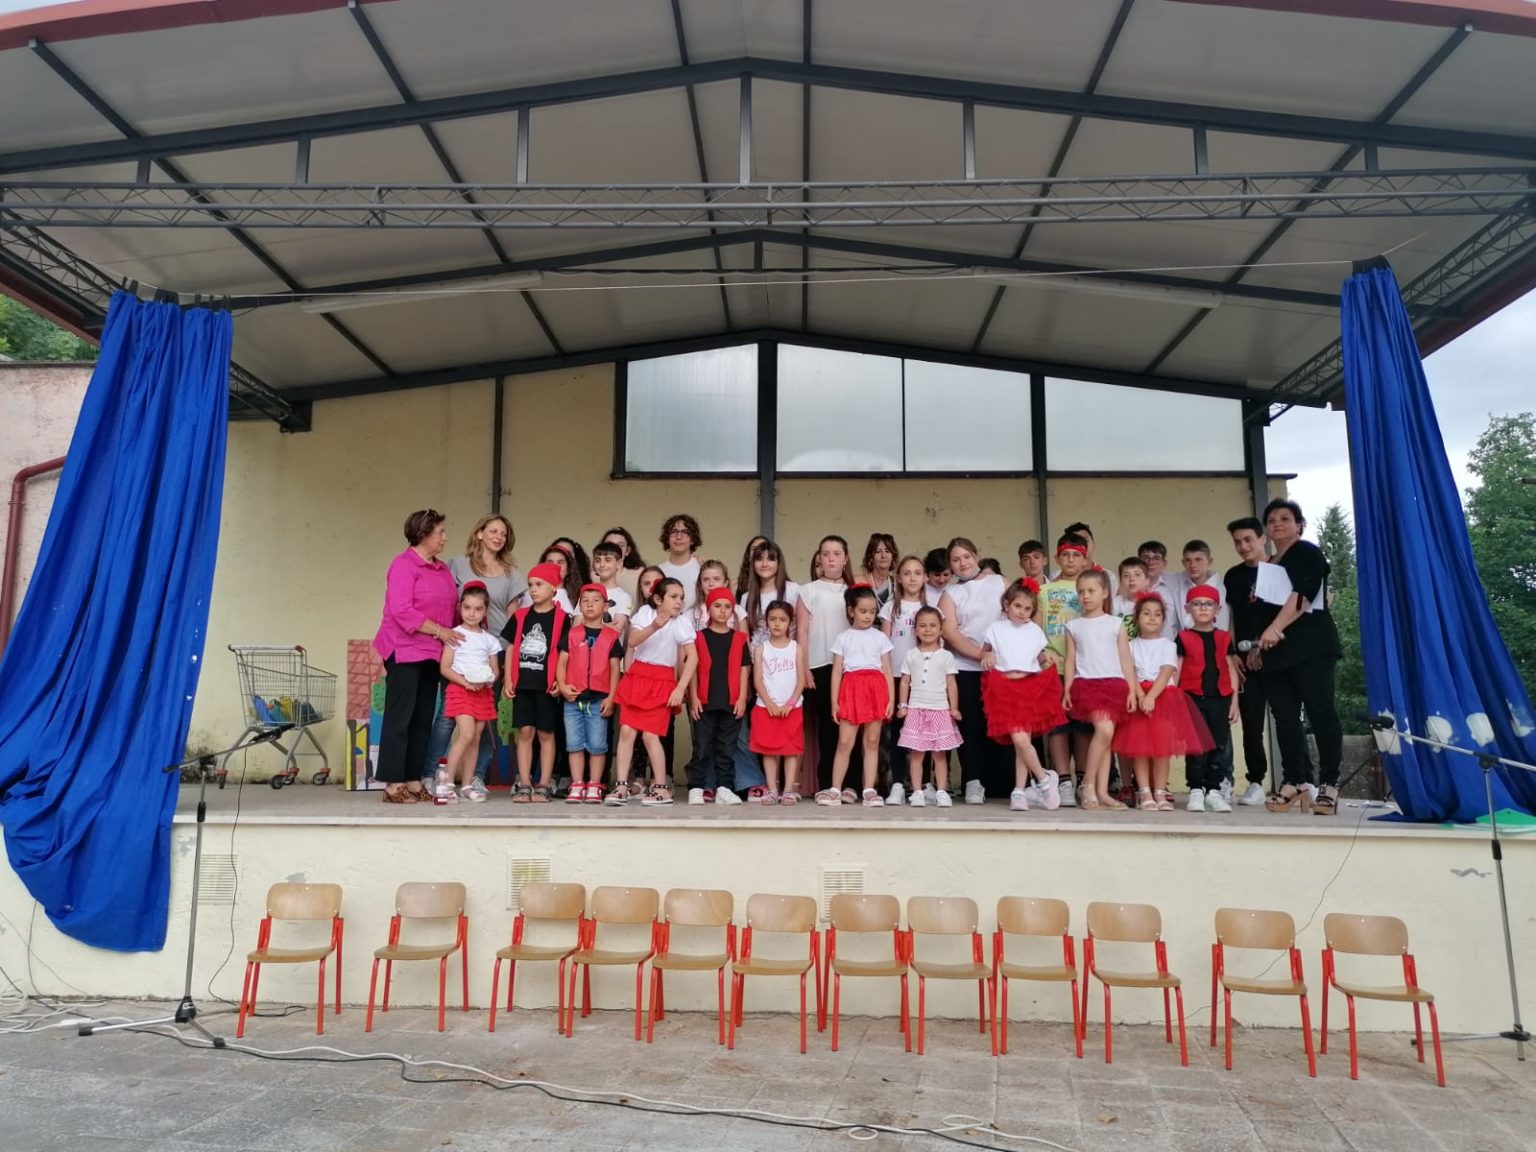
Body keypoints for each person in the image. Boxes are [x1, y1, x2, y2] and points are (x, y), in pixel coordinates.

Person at [421, 513, 525, 793]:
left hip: (494, 651)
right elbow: (444, 600)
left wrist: (510, 662)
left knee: (486, 721)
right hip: (459, 647)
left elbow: (514, 620)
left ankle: (475, 776)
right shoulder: (457, 564)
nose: (498, 537)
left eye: (503, 533)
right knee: (446, 717)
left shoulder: (511, 574)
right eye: (493, 531)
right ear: (479, 533)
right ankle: (431, 773)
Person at [1259, 499, 1344, 816]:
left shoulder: (1307, 552)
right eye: (1272, 520)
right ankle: (1295, 780)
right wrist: (1258, 644)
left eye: (1285, 518)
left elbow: (1303, 595)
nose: (1278, 524)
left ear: (1299, 526)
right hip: (1278, 653)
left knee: (1321, 712)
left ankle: (1330, 784)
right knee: (1284, 718)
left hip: (1312, 647)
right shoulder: (1270, 564)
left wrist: (1275, 628)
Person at [373, 509, 460, 804]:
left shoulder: (441, 569)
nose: (445, 537)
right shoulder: (403, 564)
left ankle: (412, 780)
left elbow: (450, 608)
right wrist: (440, 631)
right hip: (404, 649)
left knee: (422, 719)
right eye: (440, 532)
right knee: (400, 718)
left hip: (432, 653)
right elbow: (401, 610)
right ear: (423, 534)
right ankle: (393, 783)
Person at [1113, 596, 1213, 812]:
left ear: (1163, 619)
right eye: (1146, 613)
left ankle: (1159, 791)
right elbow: (1129, 672)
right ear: (1137, 618)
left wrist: (1150, 697)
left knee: (1162, 750)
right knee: (1139, 748)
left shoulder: (1169, 645)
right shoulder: (1130, 646)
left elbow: (1166, 671)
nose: (1152, 618)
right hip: (1137, 697)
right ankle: (1144, 791)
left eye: (1157, 614)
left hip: (1163, 698)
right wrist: (1141, 696)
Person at [980, 579, 1065, 812]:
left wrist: (1047, 657)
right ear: (1007, 604)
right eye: (1018, 606)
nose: (1022, 612)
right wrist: (988, 657)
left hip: (1029, 686)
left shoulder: (1034, 630)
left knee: (1022, 741)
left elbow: (1038, 654)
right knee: (1020, 740)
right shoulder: (995, 629)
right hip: (1004, 688)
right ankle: (1043, 779)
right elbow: (985, 653)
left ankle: (1020, 790)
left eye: (1028, 609)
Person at [611, 576, 696, 806]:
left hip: (662, 680)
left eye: (681, 598)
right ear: (658, 599)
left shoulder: (681, 622)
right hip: (638, 676)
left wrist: (680, 687)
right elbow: (632, 641)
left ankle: (661, 787)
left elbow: (693, 657)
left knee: (650, 735)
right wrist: (654, 626)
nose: (679, 602)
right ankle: (621, 786)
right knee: (627, 731)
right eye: (673, 597)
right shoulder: (645, 614)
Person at [937, 537, 1009, 803]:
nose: (962, 563)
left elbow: (1017, 614)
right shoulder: (950, 594)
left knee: (1002, 723)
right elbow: (951, 632)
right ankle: (973, 781)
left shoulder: (999, 582)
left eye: (966, 556)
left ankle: (1006, 782)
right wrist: (981, 655)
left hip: (1001, 667)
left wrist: (998, 654)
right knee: (970, 726)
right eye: (956, 560)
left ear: (976, 556)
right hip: (966, 667)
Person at [1224, 516, 1287, 808]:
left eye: (1248, 539)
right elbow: (1231, 617)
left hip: (1278, 657)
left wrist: (1262, 647)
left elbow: (1288, 614)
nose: (1243, 546)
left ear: (1263, 538)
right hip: (1244, 660)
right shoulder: (1233, 576)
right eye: (1237, 542)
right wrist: (1232, 653)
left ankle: (1299, 779)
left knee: (1287, 718)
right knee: (1251, 723)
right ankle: (1256, 781)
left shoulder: (1279, 571)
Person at [1063, 568, 1138, 811]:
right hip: (1087, 684)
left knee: (1106, 739)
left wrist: (1131, 690)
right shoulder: (1073, 625)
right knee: (1104, 730)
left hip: (1114, 685)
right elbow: (1070, 660)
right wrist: (1067, 689)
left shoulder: (1116, 624)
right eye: (1081, 591)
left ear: (1105, 592)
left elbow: (1125, 659)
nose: (1085, 596)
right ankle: (1087, 784)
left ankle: (1102, 791)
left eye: (1091, 590)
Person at [819, 585, 895, 807]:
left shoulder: (880, 637)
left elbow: (887, 669)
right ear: (851, 611)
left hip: (875, 689)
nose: (868, 616)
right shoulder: (843, 638)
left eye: (872, 612)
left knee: (871, 741)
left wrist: (890, 699)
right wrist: (834, 701)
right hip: (851, 688)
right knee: (844, 742)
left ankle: (869, 789)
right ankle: (835, 789)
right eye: (863, 611)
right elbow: (836, 671)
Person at [501, 562, 567, 803]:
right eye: (530, 585)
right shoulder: (520, 616)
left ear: (554, 587)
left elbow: (565, 654)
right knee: (525, 732)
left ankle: (544, 784)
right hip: (523, 684)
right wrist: (508, 678)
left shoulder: (563, 619)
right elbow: (511, 648)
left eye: (539, 584)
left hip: (546, 686)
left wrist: (560, 680)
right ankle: (525, 783)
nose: (533, 589)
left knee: (546, 733)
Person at [555, 584, 624, 805]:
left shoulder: (612, 636)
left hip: (598, 700)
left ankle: (594, 784)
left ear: (605, 606)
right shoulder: (572, 634)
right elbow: (561, 663)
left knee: (597, 744)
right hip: (573, 699)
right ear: (579, 607)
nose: (590, 604)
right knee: (574, 744)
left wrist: (611, 697)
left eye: (596, 600)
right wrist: (562, 686)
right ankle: (577, 784)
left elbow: (615, 670)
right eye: (585, 601)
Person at [1177, 584, 1241, 814]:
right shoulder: (1183, 637)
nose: (1203, 608)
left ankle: (1213, 791)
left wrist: (1234, 701)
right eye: (1197, 604)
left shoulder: (1224, 637)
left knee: (1218, 745)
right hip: (1192, 699)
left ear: (1217, 609)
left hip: (1220, 699)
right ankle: (1196, 790)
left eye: (1208, 604)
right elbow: (1177, 669)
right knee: (1196, 746)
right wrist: (1175, 700)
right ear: (1188, 608)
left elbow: (1231, 669)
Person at [797, 535, 855, 790]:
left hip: (851, 668)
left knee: (851, 726)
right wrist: (805, 667)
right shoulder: (808, 590)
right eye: (826, 553)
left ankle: (852, 784)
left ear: (845, 559)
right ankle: (827, 784)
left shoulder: (854, 591)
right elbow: (802, 631)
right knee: (827, 727)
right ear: (819, 558)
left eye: (836, 553)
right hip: (820, 665)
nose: (831, 558)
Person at [435, 582, 500, 804]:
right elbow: (445, 667)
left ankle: (467, 785)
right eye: (467, 608)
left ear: (485, 611)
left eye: (478, 609)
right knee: (466, 734)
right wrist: (465, 683)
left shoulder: (490, 640)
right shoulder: (454, 635)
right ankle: (446, 783)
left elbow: (495, 670)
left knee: (476, 738)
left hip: (481, 693)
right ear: (460, 607)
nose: (472, 613)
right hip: (460, 689)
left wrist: (488, 679)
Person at [688, 587, 752, 805]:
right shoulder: (698, 637)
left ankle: (724, 788)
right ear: (708, 609)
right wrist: (694, 697)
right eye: (717, 606)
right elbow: (693, 669)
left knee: (727, 748)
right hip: (704, 701)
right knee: (702, 746)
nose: (723, 611)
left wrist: (741, 698)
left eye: (727, 607)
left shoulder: (740, 639)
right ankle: (696, 788)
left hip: (731, 701)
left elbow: (744, 669)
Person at [1039, 534, 1090, 805]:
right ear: (1057, 558)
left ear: (1085, 559)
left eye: (1076, 555)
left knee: (1083, 726)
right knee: (1057, 725)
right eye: (1066, 555)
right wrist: (1042, 652)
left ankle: (1083, 778)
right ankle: (1063, 780)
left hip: (1085, 668)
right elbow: (1036, 628)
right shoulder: (1045, 590)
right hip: (1054, 666)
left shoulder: (1091, 587)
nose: (1071, 560)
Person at [895, 605, 962, 807]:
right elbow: (904, 682)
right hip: (916, 708)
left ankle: (941, 791)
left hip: (940, 709)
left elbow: (951, 684)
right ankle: (917, 791)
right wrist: (903, 705)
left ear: (941, 629)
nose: (927, 629)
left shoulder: (946, 656)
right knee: (917, 753)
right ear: (915, 630)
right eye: (922, 625)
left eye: (933, 625)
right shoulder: (910, 655)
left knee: (940, 754)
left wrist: (954, 707)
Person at [884, 555, 931, 805]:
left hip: (925, 680)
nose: (912, 578)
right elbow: (883, 645)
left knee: (925, 732)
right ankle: (898, 783)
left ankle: (924, 785)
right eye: (907, 573)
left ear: (925, 577)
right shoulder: (890, 607)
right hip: (895, 676)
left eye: (917, 573)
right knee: (899, 732)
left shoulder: (932, 607)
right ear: (898, 578)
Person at [751, 600, 805, 804]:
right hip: (766, 708)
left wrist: (790, 703)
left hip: (792, 708)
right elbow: (757, 680)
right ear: (766, 621)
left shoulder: (796, 648)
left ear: (790, 623)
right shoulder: (761, 649)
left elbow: (801, 679)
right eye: (772, 619)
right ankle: (772, 789)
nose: (777, 623)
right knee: (769, 750)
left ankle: (789, 790)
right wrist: (770, 703)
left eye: (782, 619)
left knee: (791, 750)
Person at [1168, 540, 1231, 632]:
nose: (1193, 565)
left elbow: (1223, 624)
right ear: (1183, 562)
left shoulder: (1220, 588)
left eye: (1198, 560)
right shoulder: (1176, 580)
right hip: (1183, 638)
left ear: (1209, 561)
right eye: (1188, 560)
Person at [658, 513, 704, 610]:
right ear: (667, 539)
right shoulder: (659, 571)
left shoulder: (702, 568)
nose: (679, 537)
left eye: (685, 532)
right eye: (674, 532)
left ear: (692, 539)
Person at [589, 541, 634, 632]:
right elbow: (576, 627)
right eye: (598, 560)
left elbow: (616, 630)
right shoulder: (587, 593)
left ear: (619, 563)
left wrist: (587, 625)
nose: (602, 565)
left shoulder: (624, 597)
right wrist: (604, 626)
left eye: (608, 560)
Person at [600, 526, 646, 608]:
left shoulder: (640, 573)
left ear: (627, 551)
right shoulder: (593, 576)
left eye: (620, 546)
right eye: (609, 545)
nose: (614, 549)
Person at [1137, 541, 1177, 635]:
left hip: (1168, 641)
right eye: (1146, 558)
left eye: (1156, 558)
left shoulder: (1173, 587)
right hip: (1136, 642)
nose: (1151, 562)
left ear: (1164, 563)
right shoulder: (1131, 587)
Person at [536, 543, 580, 614]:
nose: (555, 566)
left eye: (560, 562)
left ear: (568, 568)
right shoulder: (531, 594)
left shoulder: (579, 597)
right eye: (550, 562)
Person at [860, 532, 899, 610]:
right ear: (870, 557)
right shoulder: (859, 581)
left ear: (893, 557)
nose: (883, 556)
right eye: (878, 551)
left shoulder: (897, 584)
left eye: (887, 551)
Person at [690, 559, 731, 632]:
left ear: (725, 583)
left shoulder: (737, 611)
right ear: (700, 584)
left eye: (716, 579)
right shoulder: (690, 614)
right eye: (706, 579)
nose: (711, 584)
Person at [1112, 556, 1150, 621]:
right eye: (1126, 575)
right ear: (1121, 581)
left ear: (1147, 580)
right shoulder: (1115, 603)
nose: (1131, 579)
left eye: (1137, 574)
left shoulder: (1153, 604)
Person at [734, 534, 769, 601]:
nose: (758, 552)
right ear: (748, 556)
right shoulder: (736, 584)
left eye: (762, 548)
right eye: (754, 549)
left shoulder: (786, 585)